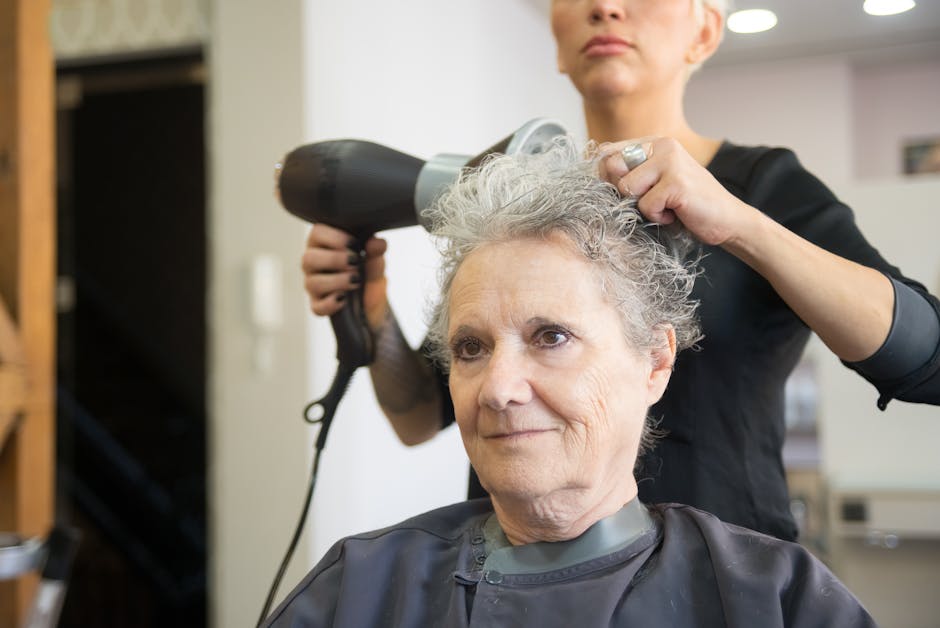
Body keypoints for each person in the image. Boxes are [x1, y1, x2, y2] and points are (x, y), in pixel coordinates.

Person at [301, 0, 940, 541]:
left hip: (723, 573)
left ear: (704, 32)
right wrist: (375, 318)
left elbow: (926, 356)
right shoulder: (510, 199)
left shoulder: (765, 187)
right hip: (524, 574)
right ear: (554, 36)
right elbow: (420, 421)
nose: (606, 5)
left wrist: (740, 223)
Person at [267, 142, 877, 627]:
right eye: (471, 348)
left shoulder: (777, 601)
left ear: (656, 363)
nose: (498, 388)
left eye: (551, 337)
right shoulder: (360, 589)